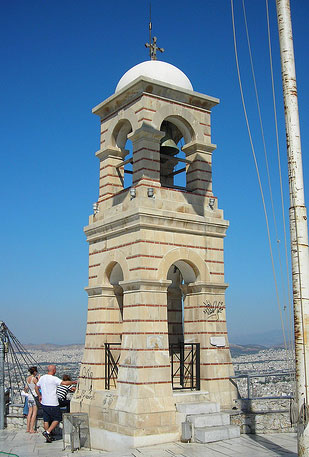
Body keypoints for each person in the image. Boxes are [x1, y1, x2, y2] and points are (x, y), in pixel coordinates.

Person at [35, 364, 76, 443]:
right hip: (53, 402)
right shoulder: (54, 379)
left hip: (44, 402)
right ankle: (47, 432)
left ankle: (48, 436)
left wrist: (39, 395)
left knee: (46, 420)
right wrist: (74, 382)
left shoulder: (42, 378)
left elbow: (36, 387)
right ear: (54, 370)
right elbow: (64, 383)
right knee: (58, 418)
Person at [25, 366, 39, 433]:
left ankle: (27, 428)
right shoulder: (34, 379)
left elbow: (26, 388)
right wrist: (38, 379)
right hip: (34, 396)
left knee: (29, 412)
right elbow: (38, 386)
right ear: (35, 372)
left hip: (29, 396)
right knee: (34, 412)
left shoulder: (27, 378)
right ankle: (31, 429)